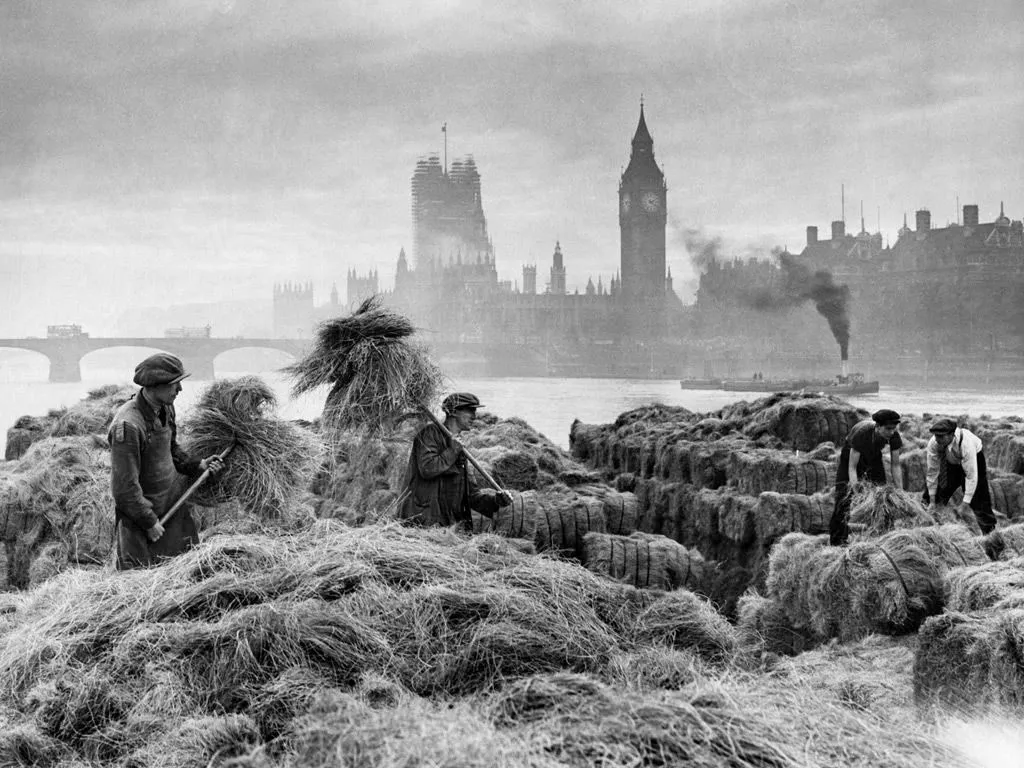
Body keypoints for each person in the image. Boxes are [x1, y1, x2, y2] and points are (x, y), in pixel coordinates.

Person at [108, 353, 224, 570]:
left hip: (173, 508)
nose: (179, 389)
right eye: (174, 384)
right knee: (144, 588)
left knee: (187, 576)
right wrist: (148, 521)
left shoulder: (165, 408)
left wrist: (196, 465)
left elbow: (171, 449)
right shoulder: (128, 426)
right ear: (153, 386)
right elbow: (124, 489)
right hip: (143, 525)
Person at [399, 391, 513, 530]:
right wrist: (452, 451)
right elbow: (427, 469)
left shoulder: (460, 446)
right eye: (470, 411)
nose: (474, 416)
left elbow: (471, 495)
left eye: (475, 411)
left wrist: (496, 501)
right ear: (453, 412)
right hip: (423, 523)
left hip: (449, 526)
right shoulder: (429, 434)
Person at [829, 408, 904, 545]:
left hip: (874, 456)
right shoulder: (862, 434)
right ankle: (838, 541)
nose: (891, 432)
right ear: (878, 426)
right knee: (843, 499)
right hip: (850, 458)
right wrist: (856, 489)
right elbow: (852, 467)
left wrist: (900, 491)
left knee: (883, 495)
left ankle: (885, 535)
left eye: (894, 428)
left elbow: (896, 465)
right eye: (888, 429)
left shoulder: (894, 436)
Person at [923, 418, 995, 535]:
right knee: (935, 494)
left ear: (952, 435)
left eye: (941, 436)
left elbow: (971, 477)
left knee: (979, 499)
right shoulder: (934, 443)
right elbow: (932, 471)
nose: (937, 439)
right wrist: (932, 500)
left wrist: (964, 504)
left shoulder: (966, 444)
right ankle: (932, 529)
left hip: (975, 458)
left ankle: (989, 534)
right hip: (951, 462)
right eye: (936, 436)